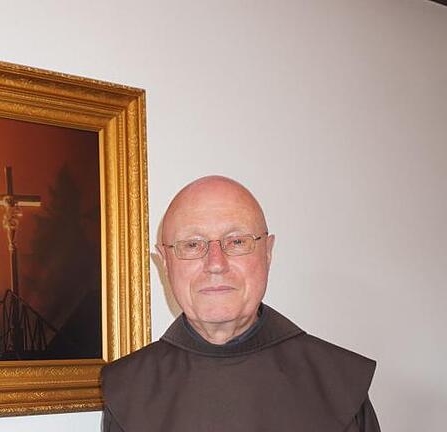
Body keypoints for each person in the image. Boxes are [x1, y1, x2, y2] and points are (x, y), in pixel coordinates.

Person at [100, 175, 380, 432]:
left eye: (236, 241)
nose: (215, 264)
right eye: (192, 245)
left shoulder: (335, 384)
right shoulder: (128, 390)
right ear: (165, 262)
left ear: (267, 253)